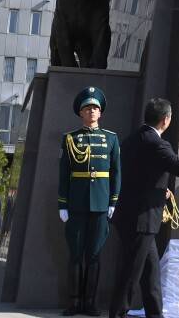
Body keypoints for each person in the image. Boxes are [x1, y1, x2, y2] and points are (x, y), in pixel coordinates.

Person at [109, 98, 179, 318]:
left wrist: (161, 191)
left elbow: (141, 175)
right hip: (142, 219)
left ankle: (155, 314)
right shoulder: (157, 143)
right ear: (165, 119)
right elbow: (177, 164)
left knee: (151, 273)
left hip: (132, 216)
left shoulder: (132, 139)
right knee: (131, 275)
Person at [59, 87, 121, 316]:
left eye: (95, 107)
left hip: (101, 204)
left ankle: (90, 303)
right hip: (76, 204)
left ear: (100, 112)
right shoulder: (70, 139)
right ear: (81, 113)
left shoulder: (111, 139)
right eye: (87, 108)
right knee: (75, 254)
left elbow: (116, 172)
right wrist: (62, 204)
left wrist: (113, 201)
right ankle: (74, 302)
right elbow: (63, 174)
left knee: (94, 255)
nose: (92, 111)